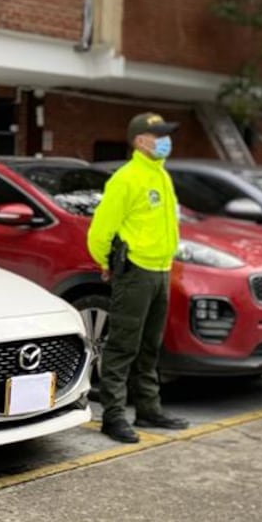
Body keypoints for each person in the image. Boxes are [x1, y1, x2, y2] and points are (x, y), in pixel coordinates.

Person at [86, 112, 191, 444]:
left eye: (166, 134)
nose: (165, 140)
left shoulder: (161, 176)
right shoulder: (126, 178)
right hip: (136, 272)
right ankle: (113, 416)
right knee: (122, 346)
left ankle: (148, 408)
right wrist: (108, 263)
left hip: (161, 270)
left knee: (150, 346)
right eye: (159, 135)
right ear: (140, 140)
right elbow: (100, 231)